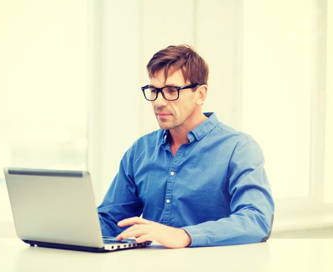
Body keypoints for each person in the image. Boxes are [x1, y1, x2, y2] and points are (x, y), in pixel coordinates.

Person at [97, 45, 274, 248]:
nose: (159, 102)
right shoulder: (140, 150)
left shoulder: (239, 148)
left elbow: (256, 220)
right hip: (149, 270)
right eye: (154, 90)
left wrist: (185, 235)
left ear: (200, 94)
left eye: (171, 90)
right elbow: (112, 220)